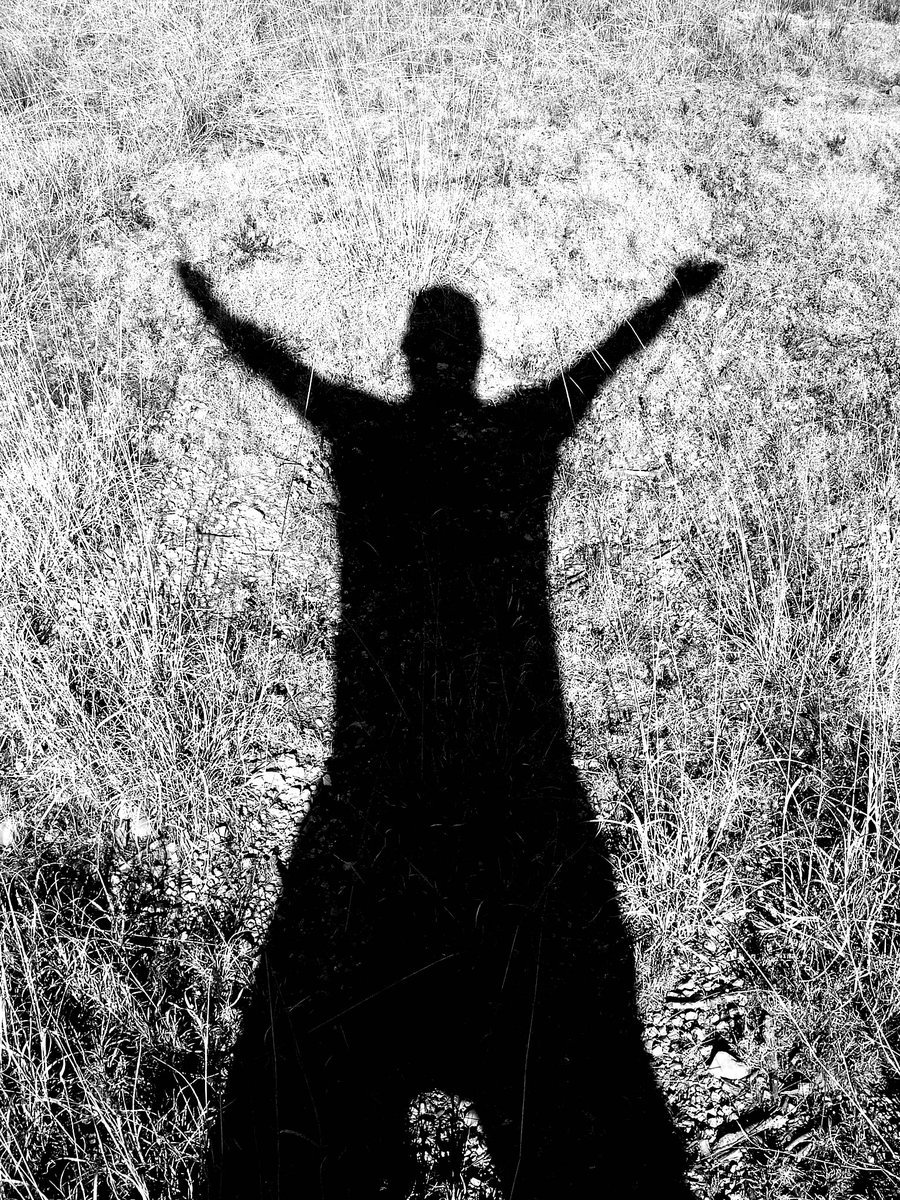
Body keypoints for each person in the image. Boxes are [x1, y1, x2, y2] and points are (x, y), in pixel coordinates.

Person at [178, 256, 722, 1199]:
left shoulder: (367, 432)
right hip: (519, 765)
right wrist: (668, 298)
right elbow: (600, 367)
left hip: (378, 760)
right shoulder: (519, 433)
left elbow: (286, 379)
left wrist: (219, 313)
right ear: (469, 353)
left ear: (412, 353)